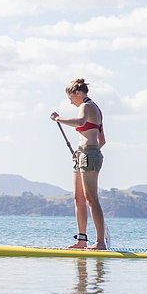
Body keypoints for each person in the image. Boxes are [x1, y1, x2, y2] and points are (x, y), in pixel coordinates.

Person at [50, 78, 107, 250]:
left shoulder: (87, 106)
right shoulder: (93, 108)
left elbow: (81, 122)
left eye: (70, 98)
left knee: (91, 198)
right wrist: (81, 150)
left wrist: (59, 119)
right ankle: (82, 240)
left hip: (89, 155)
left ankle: (100, 242)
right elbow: (102, 140)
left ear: (77, 93)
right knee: (78, 198)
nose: (70, 101)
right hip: (83, 154)